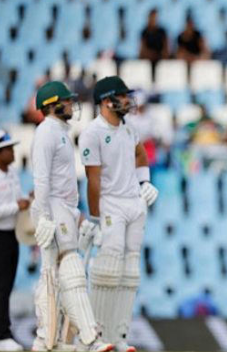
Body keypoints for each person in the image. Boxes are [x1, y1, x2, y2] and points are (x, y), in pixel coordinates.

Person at [31, 81, 113, 352]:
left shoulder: (62, 133)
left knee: (62, 274)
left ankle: (54, 340)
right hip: (52, 208)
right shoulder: (46, 132)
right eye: (66, 101)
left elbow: (65, 183)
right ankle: (78, 337)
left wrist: (78, 217)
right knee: (62, 273)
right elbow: (42, 179)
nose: (71, 105)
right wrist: (43, 215)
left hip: (63, 209)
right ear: (52, 105)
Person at [78, 76, 159, 352]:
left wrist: (144, 182)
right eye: (122, 96)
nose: (128, 101)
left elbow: (140, 155)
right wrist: (96, 217)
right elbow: (93, 180)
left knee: (130, 272)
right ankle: (96, 336)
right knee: (107, 270)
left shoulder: (129, 127)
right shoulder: (92, 132)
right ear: (106, 101)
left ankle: (119, 335)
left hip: (134, 203)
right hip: (110, 203)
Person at [0, 130, 29, 351]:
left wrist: (28, 200)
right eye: (8, 148)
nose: (12, 152)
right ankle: (3, 334)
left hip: (11, 235)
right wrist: (15, 207)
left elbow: (19, 201)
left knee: (7, 285)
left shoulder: (12, 173)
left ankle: (4, 333)